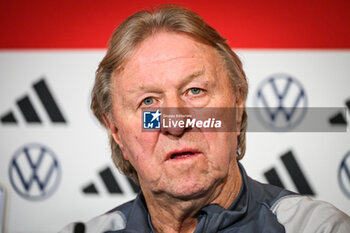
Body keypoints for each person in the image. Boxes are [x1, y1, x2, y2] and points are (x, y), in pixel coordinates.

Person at [60, 5, 350, 233]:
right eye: (148, 101)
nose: (176, 124)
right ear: (116, 132)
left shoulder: (318, 229)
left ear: (236, 109)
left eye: (195, 91)